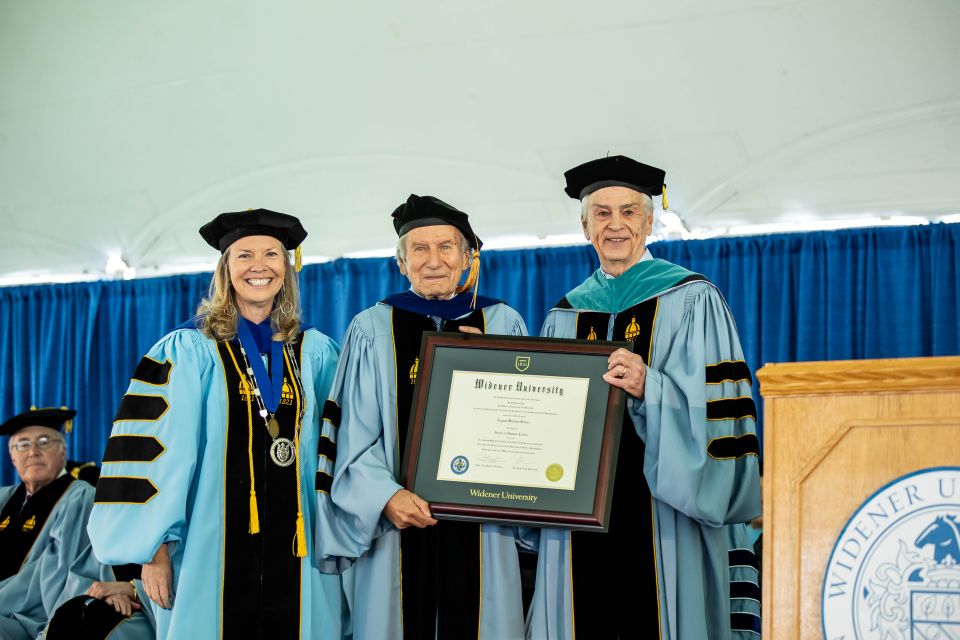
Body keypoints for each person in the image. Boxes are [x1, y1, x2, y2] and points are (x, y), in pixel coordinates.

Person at [527, 156, 762, 639]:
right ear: (585, 224)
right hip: (580, 518)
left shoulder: (694, 299)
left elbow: (720, 422)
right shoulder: (564, 315)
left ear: (650, 221)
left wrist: (649, 386)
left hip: (665, 514)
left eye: (629, 212)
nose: (616, 225)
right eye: (603, 213)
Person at [87, 209, 343, 639]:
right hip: (208, 552)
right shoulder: (188, 350)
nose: (258, 266)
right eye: (244, 255)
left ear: (288, 267)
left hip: (301, 553)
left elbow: (337, 443)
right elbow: (153, 456)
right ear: (226, 268)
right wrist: (154, 551)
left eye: (271, 254)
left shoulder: (315, 351)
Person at [315, 194, 528, 639]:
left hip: (483, 526)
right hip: (398, 525)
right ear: (401, 263)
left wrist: (500, 362)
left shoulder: (502, 322)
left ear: (467, 258)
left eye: (446, 247)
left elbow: (526, 424)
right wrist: (386, 498)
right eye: (419, 249)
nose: (433, 260)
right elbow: (352, 433)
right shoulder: (372, 327)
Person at [0, 407, 99, 639]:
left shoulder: (79, 498)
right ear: (13, 457)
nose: (33, 451)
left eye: (44, 442)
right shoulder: (4, 499)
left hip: (31, 620)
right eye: (22, 444)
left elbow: (59, 572)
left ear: (62, 451)